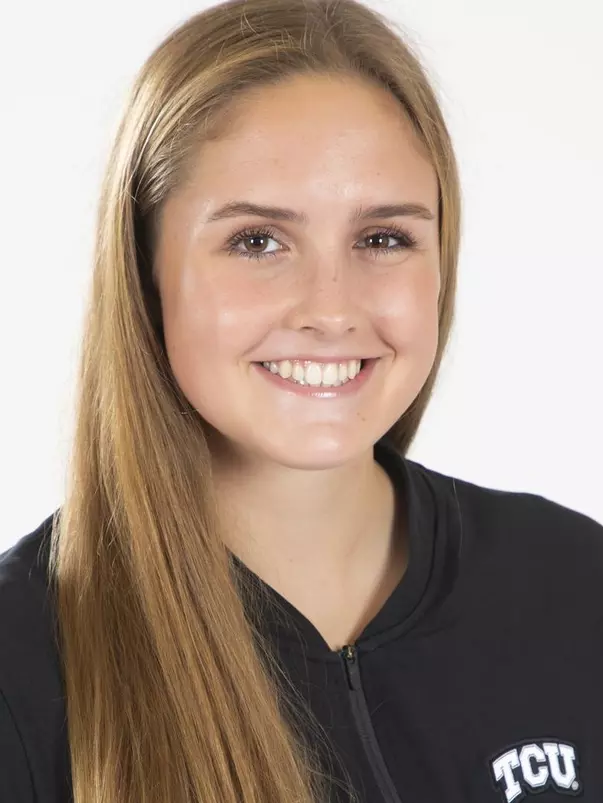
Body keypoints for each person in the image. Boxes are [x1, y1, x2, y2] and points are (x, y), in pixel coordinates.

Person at [1, 0, 602, 801]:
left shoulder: (570, 581)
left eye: (381, 238)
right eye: (257, 241)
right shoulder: (20, 663)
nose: (330, 307)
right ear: (145, 269)